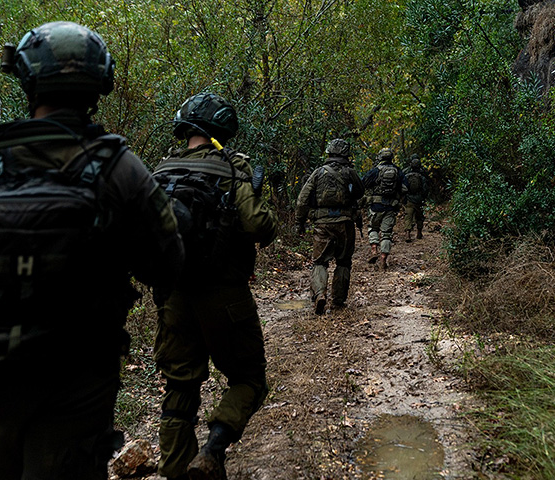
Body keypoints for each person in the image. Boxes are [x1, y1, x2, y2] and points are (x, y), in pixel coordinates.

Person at [0, 21, 185, 480]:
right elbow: (169, 265)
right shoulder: (120, 168)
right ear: (100, 83)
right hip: (76, 376)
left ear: (26, 79)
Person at [152, 92, 277, 480]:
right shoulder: (234, 168)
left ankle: (175, 469)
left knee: (179, 386)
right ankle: (212, 449)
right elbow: (260, 227)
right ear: (223, 127)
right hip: (224, 295)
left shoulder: (159, 172)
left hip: (172, 296)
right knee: (249, 378)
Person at [294, 139, 365, 314]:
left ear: (329, 152)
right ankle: (339, 301)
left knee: (319, 262)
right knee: (344, 262)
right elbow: (360, 192)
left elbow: (302, 199)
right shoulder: (350, 172)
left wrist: (299, 222)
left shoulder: (318, 173)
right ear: (346, 154)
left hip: (322, 224)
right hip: (345, 223)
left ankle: (319, 294)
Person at [362, 148, 407, 270]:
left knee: (373, 227)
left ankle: (374, 249)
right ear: (391, 158)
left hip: (375, 207)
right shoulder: (398, 171)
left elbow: (363, 183)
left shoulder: (375, 171)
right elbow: (405, 188)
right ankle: (383, 258)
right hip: (391, 207)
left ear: (380, 157)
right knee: (386, 234)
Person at [403, 154, 428, 242]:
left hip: (409, 198)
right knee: (419, 216)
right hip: (419, 199)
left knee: (408, 216)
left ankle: (407, 233)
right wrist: (424, 198)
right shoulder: (422, 176)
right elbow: (425, 189)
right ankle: (419, 233)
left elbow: (403, 187)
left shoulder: (406, 175)